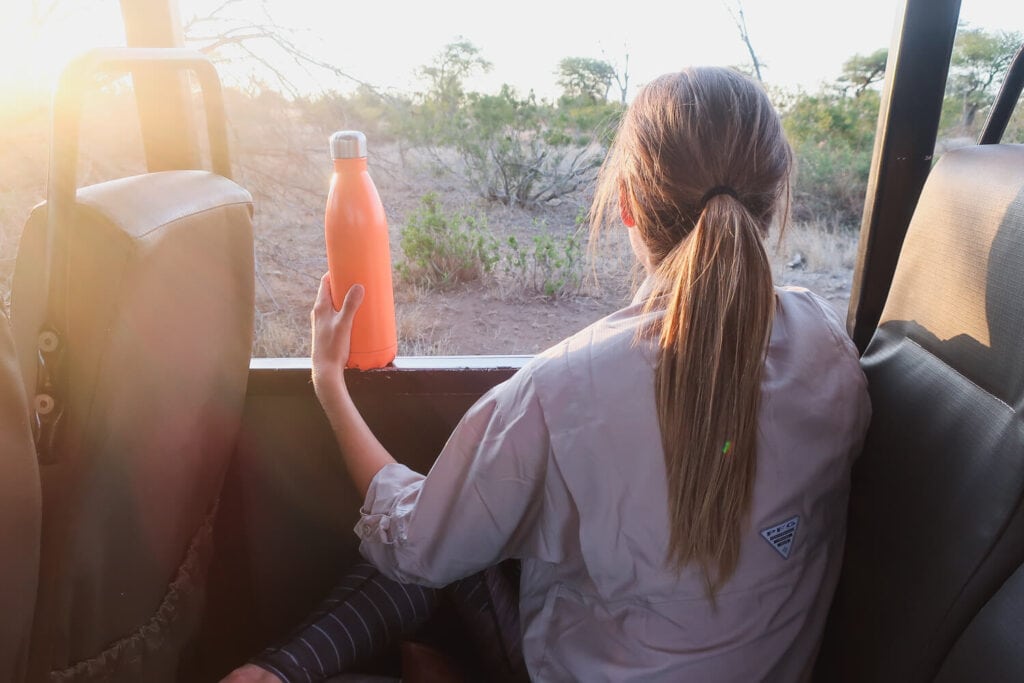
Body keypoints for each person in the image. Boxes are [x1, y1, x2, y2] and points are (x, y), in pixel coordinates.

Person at [223, 66, 871, 683]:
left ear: (626, 204)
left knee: (431, 526)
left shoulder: (564, 392)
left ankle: (270, 671)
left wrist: (329, 386)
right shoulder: (830, 355)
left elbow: (416, 549)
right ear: (775, 199)